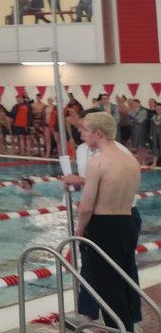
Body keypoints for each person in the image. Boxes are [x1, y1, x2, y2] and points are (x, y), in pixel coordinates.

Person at [74, 111, 142, 330]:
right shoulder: (131, 161)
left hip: (104, 226)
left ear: (99, 133)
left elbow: (86, 206)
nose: (81, 133)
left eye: (85, 129)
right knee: (124, 280)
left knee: (107, 287)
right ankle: (128, 327)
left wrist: (79, 230)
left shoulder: (97, 163)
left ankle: (119, 328)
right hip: (128, 223)